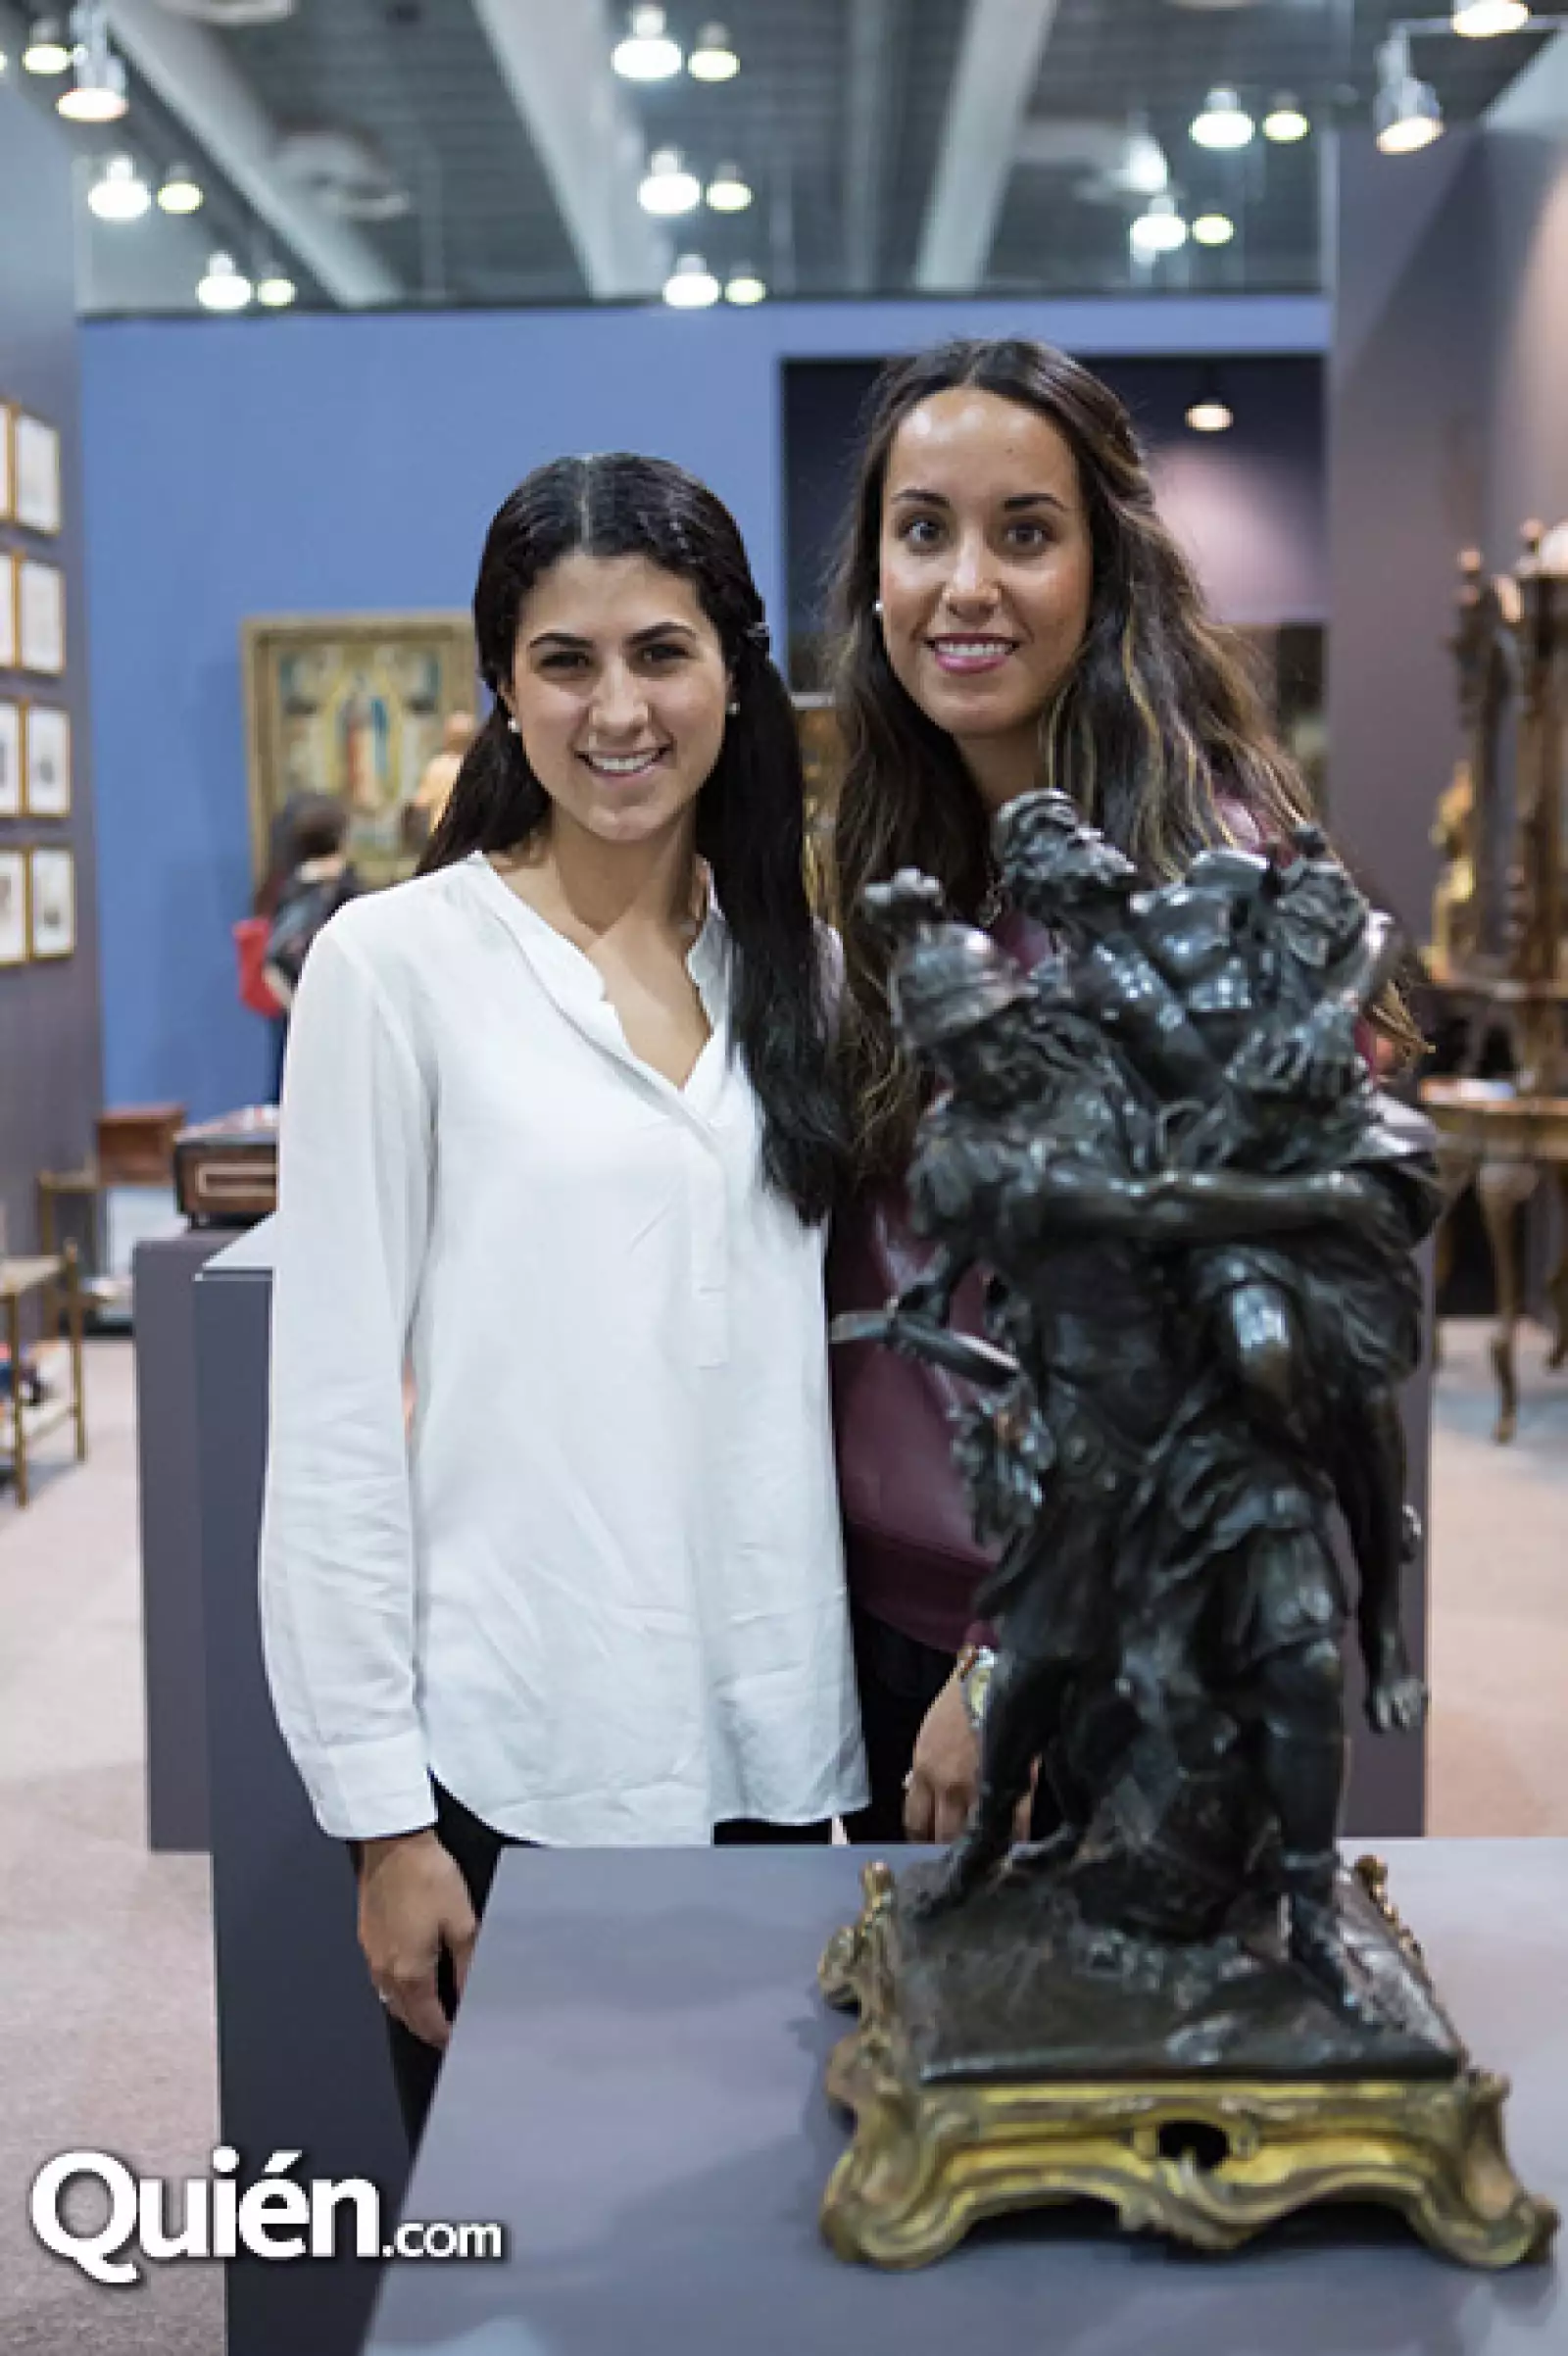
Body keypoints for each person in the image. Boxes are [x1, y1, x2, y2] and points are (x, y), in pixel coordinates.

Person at [260, 453, 866, 2145]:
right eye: (566, 661)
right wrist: (384, 1823)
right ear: (500, 693)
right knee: (520, 2268)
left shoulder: (803, 974)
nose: (619, 708)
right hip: (512, 1766)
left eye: (662, 653)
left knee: (747, 2256)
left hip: (771, 1756)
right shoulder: (398, 969)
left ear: (736, 678)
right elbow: (325, 1423)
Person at [825, 336, 1419, 1850]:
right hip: (884, 1600)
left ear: (1106, 567)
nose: (968, 586)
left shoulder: (1199, 867)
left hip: (1097, 1621)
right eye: (924, 530)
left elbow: (1233, 1325)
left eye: (1025, 532)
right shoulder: (887, 847)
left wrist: (1011, 1644)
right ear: (874, 573)